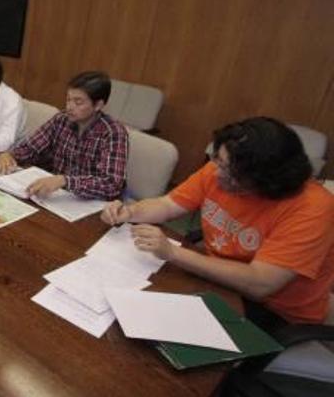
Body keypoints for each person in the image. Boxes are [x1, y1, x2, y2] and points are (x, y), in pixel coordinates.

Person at [102, 117, 334, 327]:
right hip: (216, 281)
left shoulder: (312, 207)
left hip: (275, 311)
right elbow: (167, 205)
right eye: (219, 161)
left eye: (230, 171)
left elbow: (261, 284)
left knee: (156, 333)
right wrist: (129, 212)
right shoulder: (221, 170)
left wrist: (173, 253)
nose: (218, 173)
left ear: (265, 180)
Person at [0, 71, 128, 201]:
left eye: (78, 102)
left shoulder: (113, 132)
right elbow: (31, 147)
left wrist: (65, 181)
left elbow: (112, 184)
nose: (69, 107)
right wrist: (11, 154)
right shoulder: (61, 120)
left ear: (98, 105)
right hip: (57, 197)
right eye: (68, 99)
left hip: (91, 204)